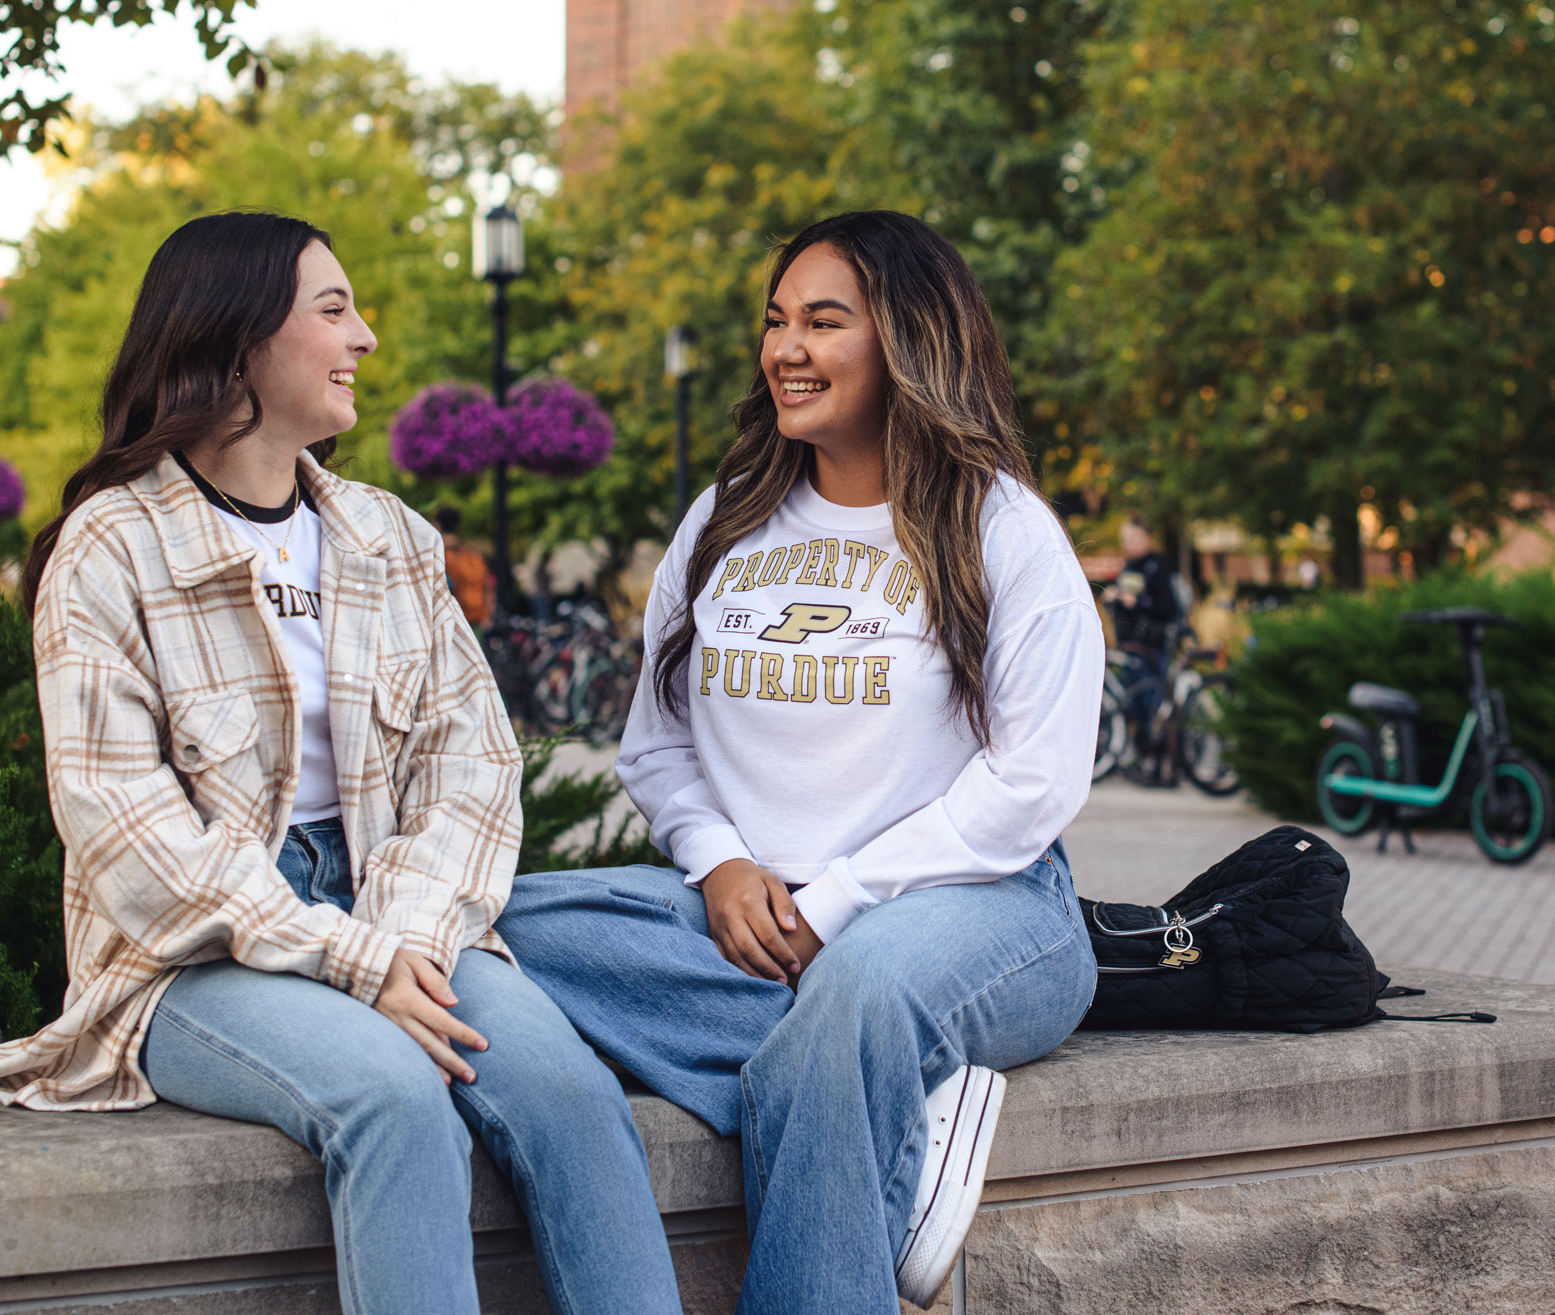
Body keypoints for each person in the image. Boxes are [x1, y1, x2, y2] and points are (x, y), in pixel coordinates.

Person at [0, 212, 682, 1315]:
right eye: (334, 309)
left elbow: (470, 763)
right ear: (236, 338)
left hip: (395, 911)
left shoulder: (389, 536)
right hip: (187, 957)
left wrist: (405, 941)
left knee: (569, 1089)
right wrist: (344, 959)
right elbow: (124, 830)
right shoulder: (115, 544)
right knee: (391, 1095)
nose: (366, 336)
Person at [494, 211, 1103, 1314]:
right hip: (753, 915)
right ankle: (902, 1104)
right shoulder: (726, 523)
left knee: (860, 998)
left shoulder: (1002, 530)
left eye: (824, 321)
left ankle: (871, 1068)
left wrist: (843, 902)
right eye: (776, 321)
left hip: (973, 907)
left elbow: (1034, 783)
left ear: (910, 342)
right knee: (503, 928)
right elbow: (655, 741)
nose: (786, 347)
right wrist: (721, 861)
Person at [1102, 514, 1179, 757]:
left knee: (1150, 704)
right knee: (1132, 705)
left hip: (1151, 647)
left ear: (1147, 538)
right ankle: (1140, 756)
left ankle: (1158, 760)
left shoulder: (1157, 565)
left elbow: (1167, 607)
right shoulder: (1127, 567)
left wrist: (1138, 602)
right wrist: (1112, 599)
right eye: (1125, 539)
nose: (1129, 543)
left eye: (1134, 538)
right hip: (1129, 646)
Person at [433, 503, 491, 626]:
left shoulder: (437, 555)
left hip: (449, 620)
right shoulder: (474, 557)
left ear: (437, 525)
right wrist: (487, 615)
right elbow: (488, 586)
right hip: (476, 618)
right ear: (458, 526)